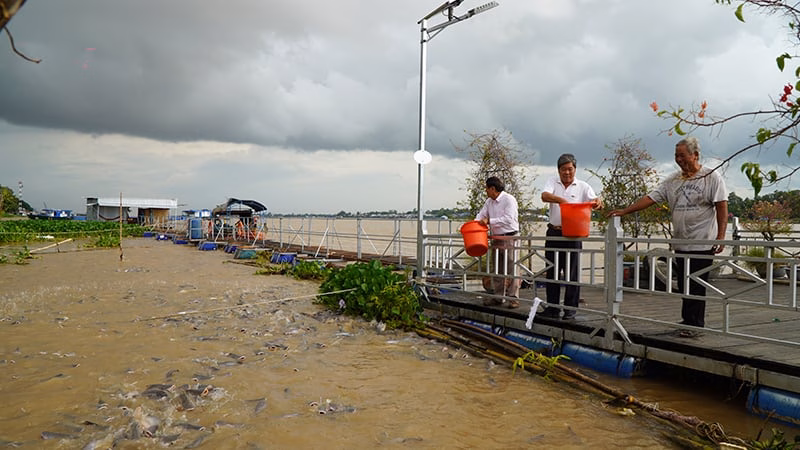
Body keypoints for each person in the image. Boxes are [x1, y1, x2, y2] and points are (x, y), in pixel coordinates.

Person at [608, 137, 728, 333]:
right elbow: (650, 198)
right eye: (676, 156)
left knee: (697, 285)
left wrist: (721, 236)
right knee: (684, 283)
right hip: (681, 243)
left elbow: (721, 205)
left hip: (702, 242)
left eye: (682, 155)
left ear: (695, 155)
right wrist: (625, 211)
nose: (679, 159)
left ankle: (695, 325)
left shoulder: (711, 177)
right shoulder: (673, 180)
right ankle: (687, 321)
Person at [540, 153, 602, 319]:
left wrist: (598, 201)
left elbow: (594, 200)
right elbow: (544, 196)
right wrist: (560, 200)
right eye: (563, 170)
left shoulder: (582, 186)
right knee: (552, 271)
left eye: (570, 169)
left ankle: (570, 309)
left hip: (573, 235)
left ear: (575, 169)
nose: (567, 173)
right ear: (558, 171)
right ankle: (552, 308)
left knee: (572, 274)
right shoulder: (552, 182)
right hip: (555, 232)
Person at [476, 176, 520, 309]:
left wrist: (489, 221)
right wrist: (474, 224)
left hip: (509, 236)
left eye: (487, 189)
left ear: (492, 188)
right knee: (498, 269)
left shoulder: (509, 199)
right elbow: (481, 215)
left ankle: (513, 298)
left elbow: (508, 218)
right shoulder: (489, 202)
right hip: (496, 237)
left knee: (512, 268)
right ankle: (498, 296)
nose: (486, 192)